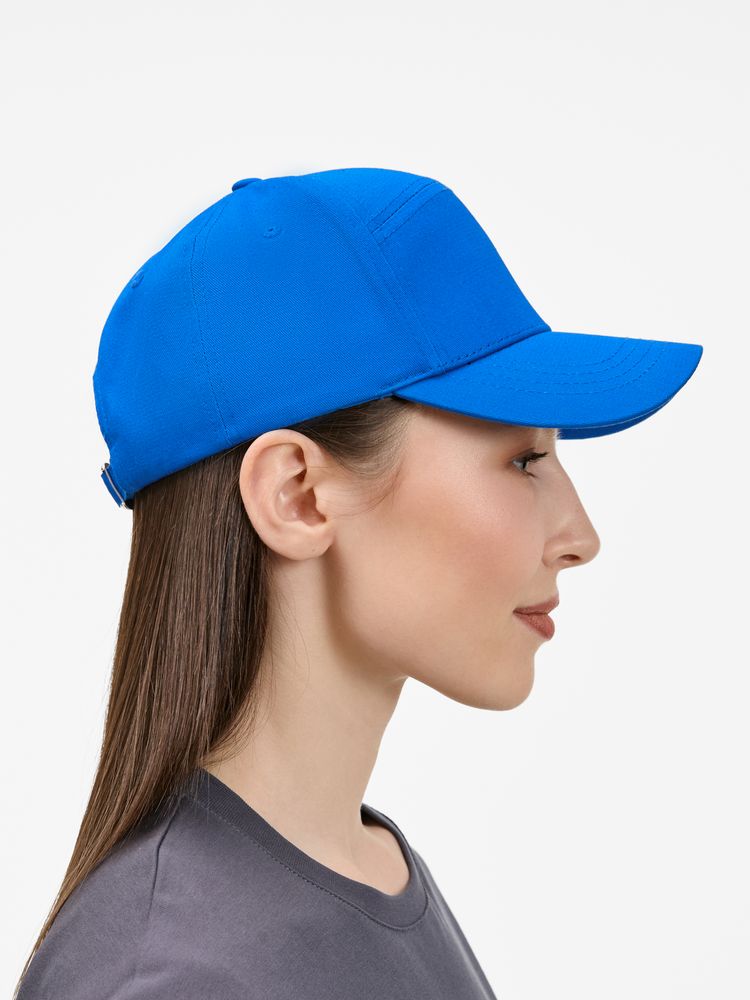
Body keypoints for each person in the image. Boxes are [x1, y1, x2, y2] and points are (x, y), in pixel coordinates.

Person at [14, 167, 703, 1000]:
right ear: (297, 494)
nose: (580, 538)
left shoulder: (366, 869)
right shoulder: (175, 974)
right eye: (524, 460)